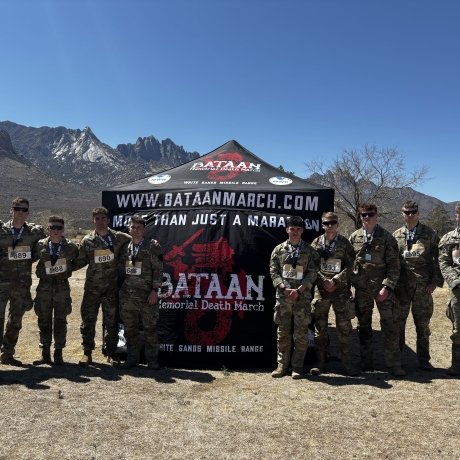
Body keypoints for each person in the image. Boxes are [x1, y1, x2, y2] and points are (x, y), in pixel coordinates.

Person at [349, 203, 405, 376]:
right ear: (360, 217)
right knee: (363, 326)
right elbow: (349, 264)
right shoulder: (354, 237)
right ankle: (366, 362)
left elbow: (394, 266)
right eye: (364, 215)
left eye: (370, 214)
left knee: (390, 325)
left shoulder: (387, 237)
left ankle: (393, 363)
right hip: (362, 288)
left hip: (382, 289)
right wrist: (350, 286)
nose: (367, 218)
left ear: (376, 216)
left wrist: (387, 287)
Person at [73, 207, 131, 366]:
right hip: (92, 288)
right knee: (88, 320)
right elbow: (81, 261)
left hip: (111, 289)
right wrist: (64, 268)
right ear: (93, 221)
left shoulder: (119, 237)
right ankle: (87, 353)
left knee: (111, 321)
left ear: (108, 220)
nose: (100, 221)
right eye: (97, 218)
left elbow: (135, 240)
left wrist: (149, 242)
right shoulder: (87, 240)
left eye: (103, 218)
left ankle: (111, 353)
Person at [393, 201, 443, 370]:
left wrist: (435, 282)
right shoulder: (396, 235)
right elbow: (392, 262)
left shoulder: (429, 234)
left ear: (418, 213)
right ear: (402, 214)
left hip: (423, 288)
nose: (410, 215)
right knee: (398, 324)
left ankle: (424, 360)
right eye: (407, 212)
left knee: (422, 326)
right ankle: (397, 361)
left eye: (413, 212)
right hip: (402, 288)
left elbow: (439, 258)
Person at [269, 215, 319, 379]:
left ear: (302, 230)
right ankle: (282, 366)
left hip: (301, 297)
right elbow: (273, 271)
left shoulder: (310, 251)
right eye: (292, 229)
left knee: (301, 333)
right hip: (283, 297)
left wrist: (298, 290)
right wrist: (283, 288)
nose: (295, 232)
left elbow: (312, 273)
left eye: (298, 229)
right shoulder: (278, 250)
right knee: (282, 332)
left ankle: (297, 367)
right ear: (287, 230)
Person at [310, 212, 359, 376]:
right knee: (320, 328)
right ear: (322, 225)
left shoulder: (345, 243)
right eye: (326, 223)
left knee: (344, 328)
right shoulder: (315, 243)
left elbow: (351, 266)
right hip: (321, 291)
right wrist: (323, 280)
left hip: (340, 292)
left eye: (333, 223)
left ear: (337, 225)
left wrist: (336, 281)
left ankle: (347, 364)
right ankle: (320, 362)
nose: (329, 226)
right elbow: (311, 267)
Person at [0, 197, 46, 366]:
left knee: (15, 321)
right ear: (11, 210)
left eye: (24, 209)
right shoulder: (1, 229)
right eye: (17, 208)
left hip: (22, 284)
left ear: (28, 213)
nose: (20, 212)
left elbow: (38, 253)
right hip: (1, 282)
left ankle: (7, 353)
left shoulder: (34, 232)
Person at [32, 216, 80, 365]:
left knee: (60, 321)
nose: (56, 231)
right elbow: (29, 259)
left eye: (59, 228)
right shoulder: (40, 245)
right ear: (48, 230)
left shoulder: (71, 247)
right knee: (43, 320)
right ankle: (45, 353)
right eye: (53, 228)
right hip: (44, 287)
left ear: (63, 230)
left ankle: (58, 352)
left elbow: (80, 260)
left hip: (61, 288)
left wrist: (68, 270)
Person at [119, 215, 163, 369]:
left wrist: (155, 291)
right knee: (130, 329)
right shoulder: (125, 246)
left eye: (139, 227)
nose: (135, 230)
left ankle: (152, 361)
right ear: (129, 229)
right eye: (133, 227)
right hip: (128, 296)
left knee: (150, 329)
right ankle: (132, 359)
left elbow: (158, 270)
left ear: (144, 229)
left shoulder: (152, 246)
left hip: (147, 296)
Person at [438, 202, 460, 375]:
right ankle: (457, 365)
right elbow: (444, 263)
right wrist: (455, 280)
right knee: (458, 328)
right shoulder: (449, 239)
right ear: (457, 216)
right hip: (457, 290)